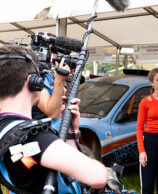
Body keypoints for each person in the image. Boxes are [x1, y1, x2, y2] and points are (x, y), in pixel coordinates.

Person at [0, 45, 108, 193]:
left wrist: (70, 133)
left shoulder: (8, 131)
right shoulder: (31, 137)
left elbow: (28, 166)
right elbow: (98, 176)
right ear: (34, 82)